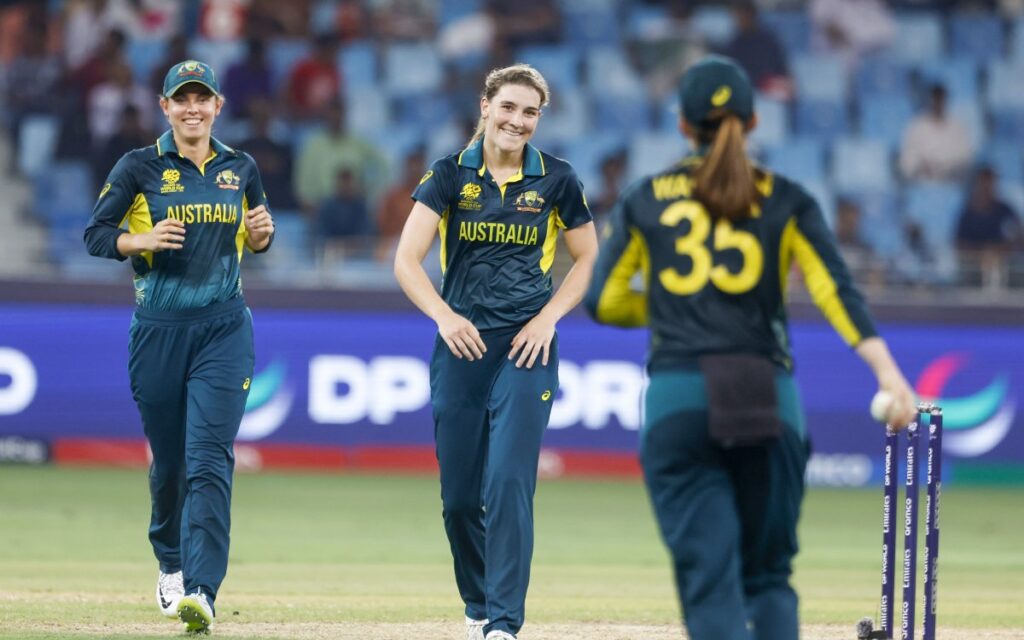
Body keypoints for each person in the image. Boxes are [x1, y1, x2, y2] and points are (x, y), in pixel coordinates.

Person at [584, 55, 916, 640]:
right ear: (754, 120)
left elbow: (603, 301)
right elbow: (836, 291)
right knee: (768, 578)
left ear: (683, 124)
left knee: (710, 580)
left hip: (680, 397)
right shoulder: (787, 199)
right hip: (766, 393)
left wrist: (676, 307)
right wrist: (888, 373)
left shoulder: (643, 199)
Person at [393, 63, 597, 640]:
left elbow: (587, 257)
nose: (517, 120)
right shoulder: (448, 175)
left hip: (526, 349)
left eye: (530, 112)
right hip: (461, 346)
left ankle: (504, 624)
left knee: (508, 483)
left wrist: (548, 319)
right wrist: (445, 315)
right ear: (485, 106)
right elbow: (406, 260)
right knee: (460, 500)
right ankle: (479, 604)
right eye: (508, 107)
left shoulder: (557, 179)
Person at [83, 59, 275, 635]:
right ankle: (170, 560)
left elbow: (257, 233)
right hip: (159, 330)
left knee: (210, 458)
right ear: (165, 107)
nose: (193, 108)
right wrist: (140, 239)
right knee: (170, 464)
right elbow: (95, 235)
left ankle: (202, 589)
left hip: (224, 328)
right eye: (182, 99)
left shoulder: (241, 167)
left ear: (218, 106)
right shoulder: (138, 166)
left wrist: (263, 238)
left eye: (203, 98)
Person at [956, 165, 1021, 288]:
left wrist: (997, 251)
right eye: (983, 183)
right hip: (974, 273)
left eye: (990, 183)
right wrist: (982, 254)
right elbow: (960, 245)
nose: (987, 187)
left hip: (1006, 270)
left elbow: (1018, 239)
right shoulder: (967, 215)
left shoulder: (1006, 211)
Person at [899, 84, 974, 183]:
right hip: (923, 183)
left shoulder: (957, 127)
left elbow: (965, 158)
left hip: (951, 183)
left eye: (941, 100)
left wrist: (945, 167)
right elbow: (907, 159)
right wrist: (920, 165)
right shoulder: (916, 127)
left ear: (945, 101)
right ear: (929, 101)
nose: (938, 104)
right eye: (935, 100)